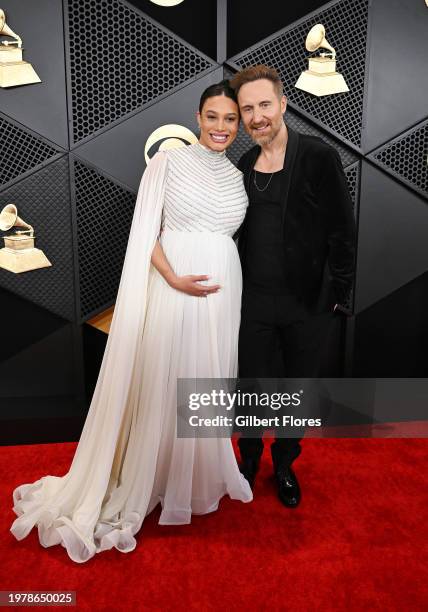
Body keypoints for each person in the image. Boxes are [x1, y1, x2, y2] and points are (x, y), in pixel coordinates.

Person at [10, 80, 253, 563]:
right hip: (174, 286)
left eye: (231, 119)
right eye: (213, 117)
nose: (221, 127)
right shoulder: (169, 160)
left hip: (223, 293)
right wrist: (175, 279)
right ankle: (153, 475)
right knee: (166, 379)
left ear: (239, 124)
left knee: (204, 380)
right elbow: (145, 232)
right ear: (198, 116)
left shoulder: (237, 175)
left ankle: (193, 475)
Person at [230, 65, 356, 508]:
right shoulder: (244, 164)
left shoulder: (317, 155)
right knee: (249, 389)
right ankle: (246, 461)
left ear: (283, 104)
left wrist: (339, 296)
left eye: (265, 104)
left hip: (307, 304)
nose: (257, 115)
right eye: (248, 109)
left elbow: (343, 228)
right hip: (254, 304)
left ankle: (284, 464)